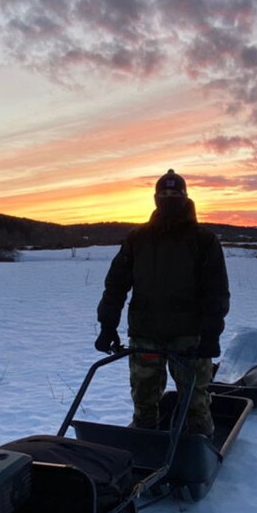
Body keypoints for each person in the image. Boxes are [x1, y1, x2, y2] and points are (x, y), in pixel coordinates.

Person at [94, 168, 230, 437]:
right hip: (145, 334)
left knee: (195, 399)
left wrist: (211, 335)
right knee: (143, 397)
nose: (169, 198)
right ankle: (145, 443)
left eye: (175, 193)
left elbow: (216, 291)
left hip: (190, 335)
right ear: (156, 198)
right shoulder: (137, 238)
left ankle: (200, 445)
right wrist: (107, 326)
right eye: (164, 193)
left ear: (185, 197)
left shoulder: (203, 239)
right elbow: (116, 285)